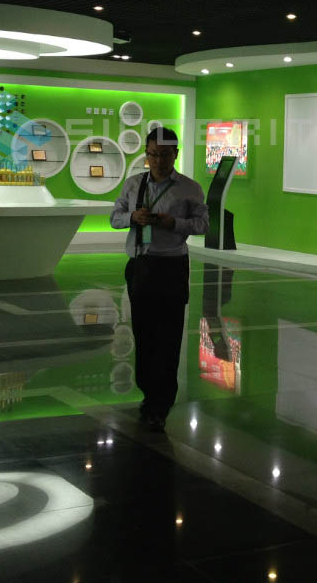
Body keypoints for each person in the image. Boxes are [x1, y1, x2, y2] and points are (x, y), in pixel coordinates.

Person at [110, 126, 208, 431]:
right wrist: (132, 218)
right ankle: (148, 392)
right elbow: (114, 218)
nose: (158, 161)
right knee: (143, 333)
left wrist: (173, 223)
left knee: (169, 336)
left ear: (175, 154)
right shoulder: (133, 184)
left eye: (164, 155)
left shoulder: (189, 188)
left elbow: (203, 225)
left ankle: (161, 402)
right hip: (140, 265)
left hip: (171, 267)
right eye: (152, 154)